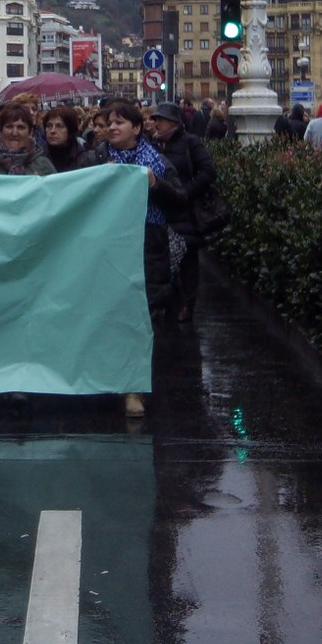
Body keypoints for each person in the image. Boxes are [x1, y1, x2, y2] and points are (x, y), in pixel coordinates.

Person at [102, 101, 185, 418]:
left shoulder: (158, 162)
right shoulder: (97, 158)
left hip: (147, 246)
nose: (112, 127)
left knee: (142, 317)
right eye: (109, 122)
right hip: (106, 246)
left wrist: (154, 183)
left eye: (120, 122)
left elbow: (179, 200)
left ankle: (133, 390)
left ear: (137, 128)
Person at [146, 102, 218, 323]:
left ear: (174, 123)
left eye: (161, 119)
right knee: (165, 260)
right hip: (163, 213)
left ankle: (187, 305)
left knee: (187, 262)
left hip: (186, 214)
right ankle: (168, 302)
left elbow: (208, 171)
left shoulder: (190, 143)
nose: (155, 122)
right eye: (155, 118)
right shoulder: (152, 146)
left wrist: (185, 192)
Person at [0, 104, 54, 176]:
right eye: (9, 127)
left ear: (30, 132)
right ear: (0, 130)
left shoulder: (43, 165)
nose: (14, 133)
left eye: (21, 127)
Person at [41, 106, 95, 173]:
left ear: (70, 130)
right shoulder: (38, 159)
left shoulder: (87, 159)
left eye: (59, 126)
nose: (52, 131)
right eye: (49, 126)